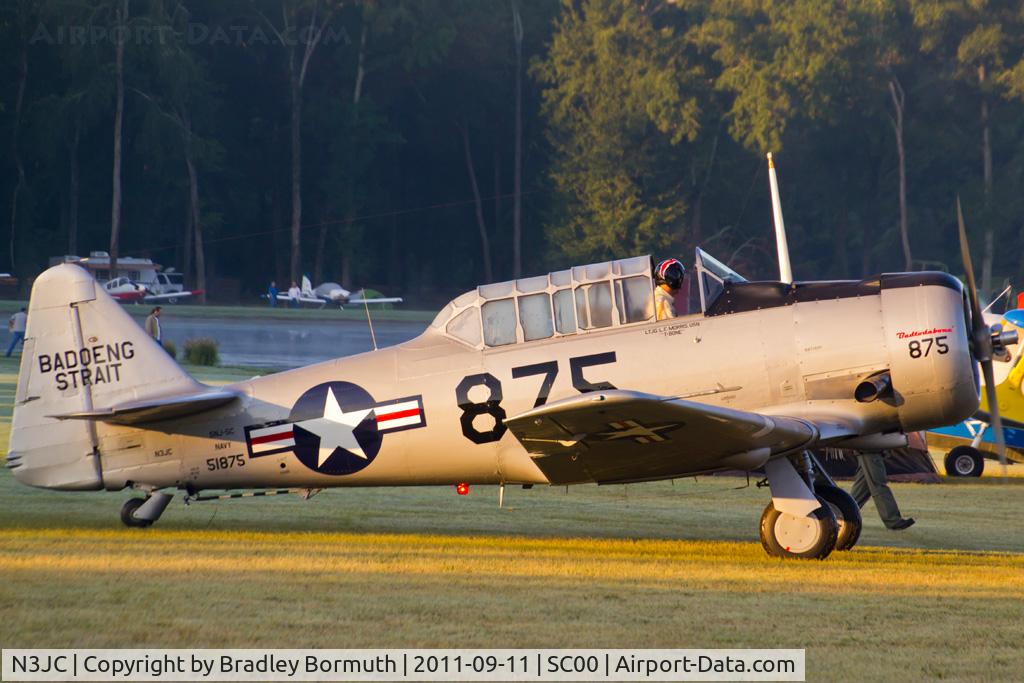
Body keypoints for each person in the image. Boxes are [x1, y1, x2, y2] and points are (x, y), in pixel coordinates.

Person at [851, 451, 915, 530]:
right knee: (878, 484)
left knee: (863, 487)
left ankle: (840, 513)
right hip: (869, 448)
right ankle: (892, 520)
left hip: (867, 447)